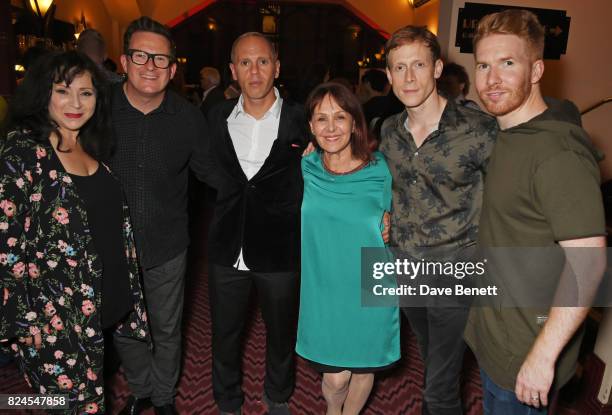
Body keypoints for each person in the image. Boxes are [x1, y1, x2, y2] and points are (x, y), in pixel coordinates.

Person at [464, 9, 606, 414]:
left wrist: (543, 357)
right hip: (498, 337)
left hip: (526, 355)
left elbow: (590, 265)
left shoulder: (557, 153)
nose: (491, 79)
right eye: (484, 65)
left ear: (537, 69)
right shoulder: (507, 132)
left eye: (508, 64)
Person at [0, 50, 148, 414]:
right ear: (42, 94)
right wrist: (22, 316)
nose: (75, 103)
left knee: (87, 399)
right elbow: (5, 241)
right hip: (52, 317)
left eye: (86, 92)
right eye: (63, 91)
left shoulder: (89, 146)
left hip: (94, 311)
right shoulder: (22, 152)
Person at [379, 26, 497, 415]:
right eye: (399, 67)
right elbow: (381, 185)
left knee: (440, 386)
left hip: (455, 268)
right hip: (405, 265)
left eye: (418, 65)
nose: (409, 77)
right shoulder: (389, 131)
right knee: (433, 364)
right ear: (389, 75)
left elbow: (508, 197)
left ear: (437, 68)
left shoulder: (477, 129)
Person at [109, 17, 213, 415]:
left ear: (173, 69)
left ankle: (165, 397)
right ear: (123, 61)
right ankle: (142, 389)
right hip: (110, 246)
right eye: (140, 55)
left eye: (160, 59)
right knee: (124, 328)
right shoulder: (98, 109)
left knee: (167, 329)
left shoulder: (188, 118)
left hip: (168, 244)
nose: (150, 66)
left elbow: (212, 172)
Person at [205, 32, 310, 415]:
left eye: (263, 61)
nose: (254, 70)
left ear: (277, 68)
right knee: (224, 333)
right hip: (226, 245)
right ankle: (226, 398)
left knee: (281, 333)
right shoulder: (214, 117)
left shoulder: (303, 118)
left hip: (281, 248)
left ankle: (279, 394)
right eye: (245, 62)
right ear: (233, 70)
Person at [296, 82, 400, 415]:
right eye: (321, 119)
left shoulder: (381, 169)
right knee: (337, 378)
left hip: (371, 283)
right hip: (323, 288)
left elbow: (406, 214)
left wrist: (396, 223)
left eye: (339, 117)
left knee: (365, 366)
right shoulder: (305, 168)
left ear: (355, 123)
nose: (330, 128)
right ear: (310, 126)